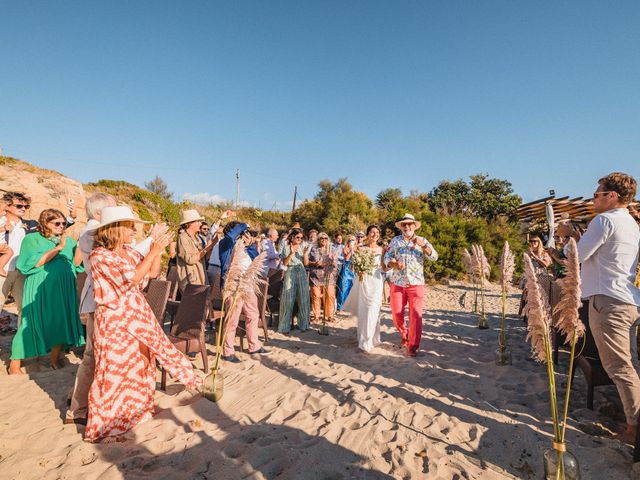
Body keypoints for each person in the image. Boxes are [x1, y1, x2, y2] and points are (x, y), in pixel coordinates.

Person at [84, 206, 202, 442]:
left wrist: (156, 251)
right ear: (115, 229)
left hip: (137, 312)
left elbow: (152, 272)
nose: (133, 230)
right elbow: (131, 279)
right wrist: (153, 249)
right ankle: (109, 422)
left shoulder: (128, 251)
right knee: (117, 370)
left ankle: (137, 413)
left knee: (143, 362)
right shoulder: (100, 256)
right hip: (115, 319)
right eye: (130, 226)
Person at [65, 193, 168, 425]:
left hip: (122, 311)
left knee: (107, 360)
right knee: (95, 359)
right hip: (105, 308)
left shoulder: (120, 246)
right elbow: (128, 274)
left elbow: (144, 268)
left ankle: (93, 405)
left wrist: (155, 246)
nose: (132, 230)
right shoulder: (90, 235)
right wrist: (152, 245)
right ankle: (78, 409)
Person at [569, 172, 640, 444]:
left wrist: (569, 241)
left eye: (597, 194)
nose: (593, 198)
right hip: (628, 300)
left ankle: (634, 430)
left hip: (608, 301)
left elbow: (577, 256)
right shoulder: (632, 224)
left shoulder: (604, 220)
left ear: (612, 196)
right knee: (629, 365)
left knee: (619, 368)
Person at [9, 209, 85, 374]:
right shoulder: (32, 239)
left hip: (64, 289)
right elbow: (34, 264)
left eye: (64, 223)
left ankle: (54, 360)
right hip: (40, 287)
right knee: (31, 323)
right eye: (56, 223)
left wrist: (81, 246)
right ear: (45, 223)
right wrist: (59, 248)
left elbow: (77, 264)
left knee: (59, 322)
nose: (61, 226)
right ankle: (15, 363)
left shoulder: (69, 241)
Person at [384, 213, 438, 357]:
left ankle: (412, 347)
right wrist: (393, 263)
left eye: (410, 224)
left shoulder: (422, 240)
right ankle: (404, 334)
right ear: (401, 227)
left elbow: (434, 257)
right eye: (404, 224)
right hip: (397, 283)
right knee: (396, 315)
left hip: (416, 284)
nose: (407, 226)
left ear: (414, 226)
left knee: (415, 316)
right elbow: (386, 258)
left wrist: (424, 245)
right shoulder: (395, 241)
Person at [218, 221, 268, 362]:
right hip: (232, 285)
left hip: (247, 283)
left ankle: (254, 345)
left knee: (253, 314)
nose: (245, 234)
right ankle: (227, 351)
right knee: (232, 319)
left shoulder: (244, 245)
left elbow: (255, 258)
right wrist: (243, 225)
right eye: (242, 232)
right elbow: (229, 238)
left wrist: (251, 244)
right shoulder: (225, 243)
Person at [343, 225, 385, 352]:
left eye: (377, 232)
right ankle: (363, 339)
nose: (375, 234)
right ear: (367, 234)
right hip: (364, 282)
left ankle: (371, 339)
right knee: (364, 310)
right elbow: (352, 267)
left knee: (374, 309)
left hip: (377, 281)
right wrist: (359, 270)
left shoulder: (382, 250)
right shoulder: (360, 249)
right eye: (372, 232)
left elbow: (384, 267)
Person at [0, 192, 30, 323]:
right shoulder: (1, 221)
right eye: (19, 206)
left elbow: (52, 228)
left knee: (25, 308)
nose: (23, 209)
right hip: (2, 271)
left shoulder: (29, 225)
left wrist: (70, 219)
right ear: (7, 206)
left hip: (21, 271)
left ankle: (21, 342)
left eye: (26, 206)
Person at [278, 227, 311, 333]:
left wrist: (305, 254)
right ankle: (284, 327)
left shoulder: (303, 246)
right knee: (288, 300)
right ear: (292, 237)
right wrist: (291, 253)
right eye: (298, 237)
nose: (300, 239)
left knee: (304, 298)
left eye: (301, 238)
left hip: (301, 272)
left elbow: (306, 263)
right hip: (290, 272)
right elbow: (285, 264)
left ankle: (303, 325)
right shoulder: (286, 247)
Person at [176, 209, 213, 292]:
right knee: (192, 304)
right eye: (198, 221)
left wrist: (211, 246)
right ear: (190, 223)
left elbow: (203, 258)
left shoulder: (197, 238)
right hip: (190, 280)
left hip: (201, 277)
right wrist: (207, 248)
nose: (200, 224)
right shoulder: (183, 237)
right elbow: (190, 259)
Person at [306, 232, 338, 323]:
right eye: (321, 238)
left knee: (330, 296)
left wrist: (332, 262)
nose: (324, 240)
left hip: (329, 276)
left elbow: (335, 262)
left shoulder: (332, 250)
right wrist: (315, 263)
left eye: (326, 238)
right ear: (318, 240)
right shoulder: (313, 249)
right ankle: (316, 316)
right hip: (316, 277)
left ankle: (330, 315)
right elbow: (308, 262)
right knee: (316, 295)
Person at [336, 234, 357, 313]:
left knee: (352, 288)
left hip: (354, 270)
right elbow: (347, 258)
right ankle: (340, 306)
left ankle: (349, 306)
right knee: (344, 287)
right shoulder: (345, 248)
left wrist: (355, 249)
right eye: (350, 240)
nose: (352, 241)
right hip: (347, 270)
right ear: (348, 241)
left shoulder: (357, 248)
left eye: (353, 240)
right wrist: (351, 250)